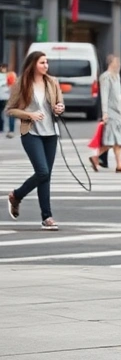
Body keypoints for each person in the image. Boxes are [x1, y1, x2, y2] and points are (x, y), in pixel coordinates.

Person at [4, 51, 65, 230]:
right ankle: (17, 195)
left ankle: (47, 217)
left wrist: (59, 107)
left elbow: (60, 104)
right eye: (42, 63)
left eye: (47, 63)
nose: (46, 66)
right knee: (43, 171)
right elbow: (10, 109)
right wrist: (28, 114)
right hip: (31, 133)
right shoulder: (22, 83)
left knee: (46, 176)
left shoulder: (53, 82)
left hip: (51, 133)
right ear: (33, 64)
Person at [89, 55, 121, 173]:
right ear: (110, 63)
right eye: (115, 62)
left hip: (118, 112)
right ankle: (100, 158)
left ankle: (115, 163)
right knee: (114, 140)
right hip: (111, 113)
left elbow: (119, 96)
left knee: (116, 140)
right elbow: (104, 95)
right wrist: (105, 113)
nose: (118, 64)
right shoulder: (106, 77)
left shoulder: (117, 77)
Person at [0, 63, 12, 138]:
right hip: (1, 97)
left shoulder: (9, 75)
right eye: (2, 68)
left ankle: (11, 129)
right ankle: (1, 128)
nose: (3, 69)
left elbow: (12, 85)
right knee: (1, 113)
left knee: (9, 113)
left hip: (7, 97)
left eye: (4, 68)